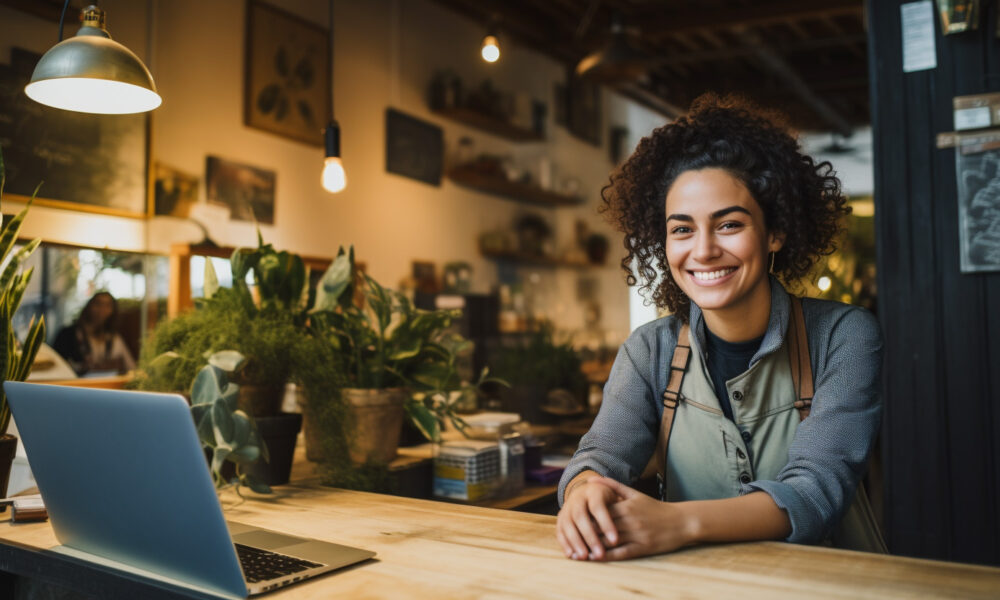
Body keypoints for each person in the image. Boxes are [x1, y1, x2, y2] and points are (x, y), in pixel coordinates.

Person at [556, 94, 884, 562]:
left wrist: (677, 521)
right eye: (682, 229)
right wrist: (583, 490)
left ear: (775, 232)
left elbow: (815, 492)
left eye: (728, 224)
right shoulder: (648, 350)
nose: (704, 250)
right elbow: (600, 455)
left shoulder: (844, 336)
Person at [53, 291, 136, 376]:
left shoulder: (114, 338)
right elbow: (56, 365)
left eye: (107, 305)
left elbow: (130, 366)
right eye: (98, 304)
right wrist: (82, 367)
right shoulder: (68, 334)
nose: (102, 309)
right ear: (89, 306)